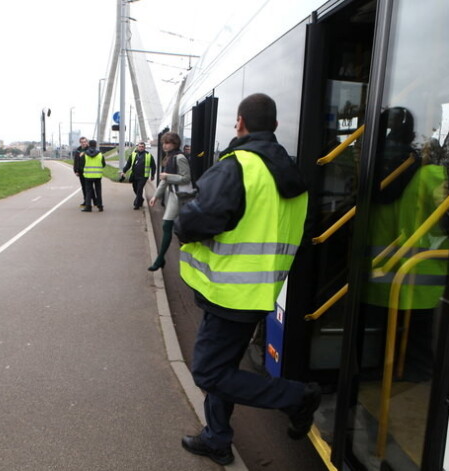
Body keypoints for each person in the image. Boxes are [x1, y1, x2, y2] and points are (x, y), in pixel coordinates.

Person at [173, 93, 321, 466]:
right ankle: (217, 439)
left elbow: (197, 219)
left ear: (240, 123)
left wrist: (180, 223)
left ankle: (296, 397)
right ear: (273, 125)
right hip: (256, 292)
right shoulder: (290, 171)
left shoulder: (238, 165)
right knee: (224, 370)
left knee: (208, 372)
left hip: (227, 292)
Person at [148, 132, 191, 271]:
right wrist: (155, 196)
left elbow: (186, 178)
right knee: (168, 226)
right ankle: (161, 258)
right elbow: (164, 180)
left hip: (181, 196)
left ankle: (161, 259)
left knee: (169, 226)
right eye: (163, 143)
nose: (164, 146)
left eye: (167, 143)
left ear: (175, 143)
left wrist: (168, 176)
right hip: (174, 195)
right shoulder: (170, 157)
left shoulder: (179, 158)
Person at [121, 141, 156, 209]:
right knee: (135, 188)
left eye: (142, 147)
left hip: (143, 176)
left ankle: (137, 204)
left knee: (139, 189)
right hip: (134, 175)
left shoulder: (148, 155)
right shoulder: (133, 154)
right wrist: (124, 171)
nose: (141, 148)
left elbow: (153, 166)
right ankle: (140, 199)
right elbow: (128, 164)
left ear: (144, 147)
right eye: (140, 146)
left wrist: (152, 175)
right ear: (137, 147)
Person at [81, 140, 106, 212]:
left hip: (88, 176)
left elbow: (82, 164)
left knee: (88, 192)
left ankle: (88, 207)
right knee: (98, 191)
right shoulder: (100, 154)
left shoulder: (85, 154)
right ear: (95, 145)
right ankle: (100, 206)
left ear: (89, 145)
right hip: (98, 175)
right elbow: (104, 164)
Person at [73, 137, 90, 207]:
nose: (83, 143)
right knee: (83, 187)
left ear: (87, 142)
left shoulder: (89, 150)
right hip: (80, 171)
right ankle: (86, 200)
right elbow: (76, 161)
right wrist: (76, 170)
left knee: (88, 187)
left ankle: (89, 201)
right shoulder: (78, 150)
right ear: (80, 143)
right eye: (82, 142)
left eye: (85, 142)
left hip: (88, 171)